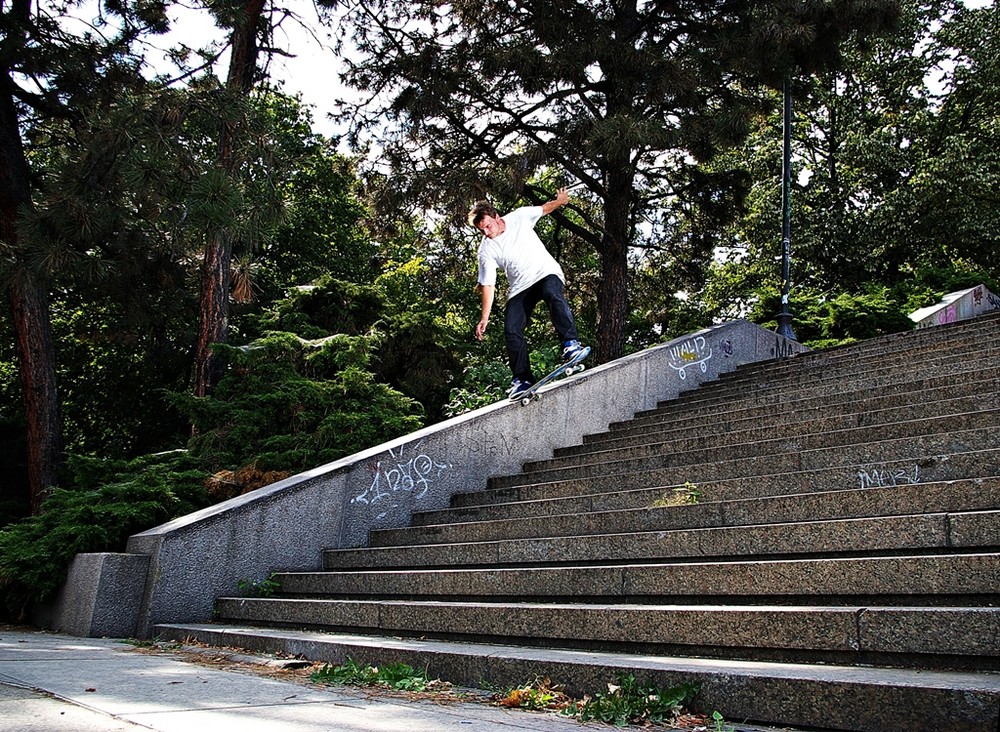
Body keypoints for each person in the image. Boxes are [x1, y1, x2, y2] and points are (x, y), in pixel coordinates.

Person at [469, 187, 589, 400]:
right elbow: (488, 284)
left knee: (553, 295)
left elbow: (544, 209)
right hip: (521, 287)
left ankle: (570, 344)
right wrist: (484, 318)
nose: (487, 233)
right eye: (482, 230)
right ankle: (522, 378)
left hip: (545, 272)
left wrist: (560, 200)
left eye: (488, 226)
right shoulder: (486, 249)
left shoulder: (520, 217)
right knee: (512, 328)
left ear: (497, 217)